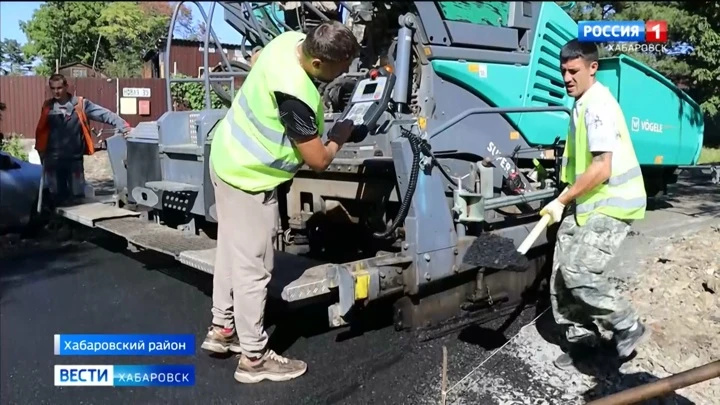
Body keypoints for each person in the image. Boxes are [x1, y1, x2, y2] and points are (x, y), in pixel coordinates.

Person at [201, 21, 360, 383]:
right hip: (248, 178)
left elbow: (258, 59)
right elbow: (318, 160)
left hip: (226, 157)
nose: (345, 72)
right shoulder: (296, 95)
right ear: (318, 63)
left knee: (231, 251)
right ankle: (254, 358)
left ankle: (222, 329)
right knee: (253, 269)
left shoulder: (287, 42)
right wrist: (339, 136)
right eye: (342, 67)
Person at [540, 39, 649, 370]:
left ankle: (628, 323)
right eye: (563, 71)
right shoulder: (581, 103)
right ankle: (583, 341)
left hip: (614, 201)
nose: (567, 77)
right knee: (560, 270)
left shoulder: (598, 104)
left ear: (592, 68)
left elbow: (602, 167)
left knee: (579, 270)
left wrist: (562, 199)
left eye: (573, 71)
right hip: (588, 201)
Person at [35, 73, 130, 206]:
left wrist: (124, 126)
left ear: (66, 86)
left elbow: (104, 114)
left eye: (60, 88)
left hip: (74, 159)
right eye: (53, 88)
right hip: (53, 159)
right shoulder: (48, 107)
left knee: (78, 197)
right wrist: (41, 152)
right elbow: (41, 131)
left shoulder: (80, 104)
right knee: (55, 197)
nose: (56, 91)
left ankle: (75, 226)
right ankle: (57, 225)